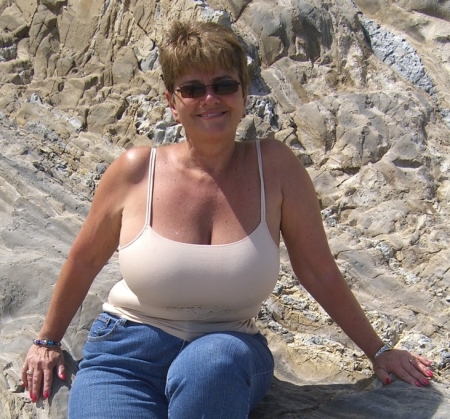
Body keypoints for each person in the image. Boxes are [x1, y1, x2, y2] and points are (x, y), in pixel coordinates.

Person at [22, 20, 434, 418]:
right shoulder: (135, 170)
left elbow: (318, 270)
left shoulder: (274, 167)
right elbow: (85, 260)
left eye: (224, 85)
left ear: (243, 94)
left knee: (212, 363)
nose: (210, 99)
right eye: (192, 89)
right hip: (128, 353)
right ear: (172, 100)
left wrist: (378, 351)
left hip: (227, 352)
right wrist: (47, 341)